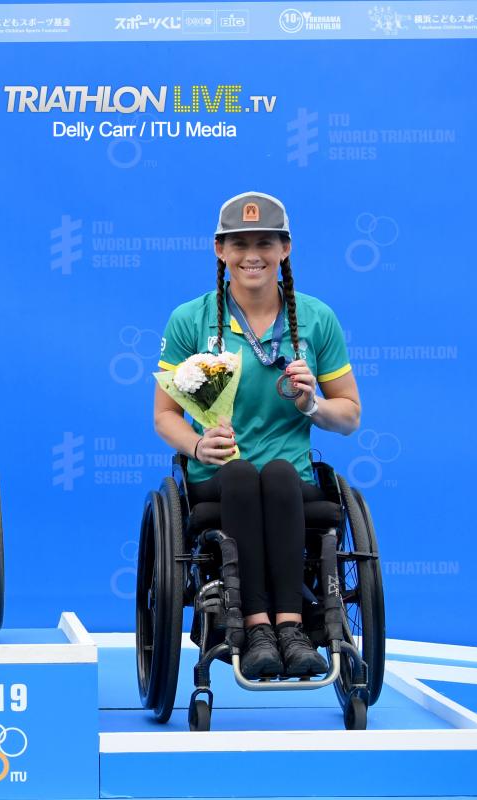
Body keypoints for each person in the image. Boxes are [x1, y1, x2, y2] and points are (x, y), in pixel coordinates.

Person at [154, 192, 361, 679]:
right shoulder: (191, 320)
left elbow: (349, 416)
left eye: (265, 242)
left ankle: (290, 628)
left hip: (292, 476)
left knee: (281, 474)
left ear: (285, 249)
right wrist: (197, 444)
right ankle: (254, 628)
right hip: (217, 473)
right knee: (244, 474)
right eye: (239, 242)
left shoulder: (315, 319)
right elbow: (164, 416)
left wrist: (314, 405)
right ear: (219, 250)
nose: (253, 254)